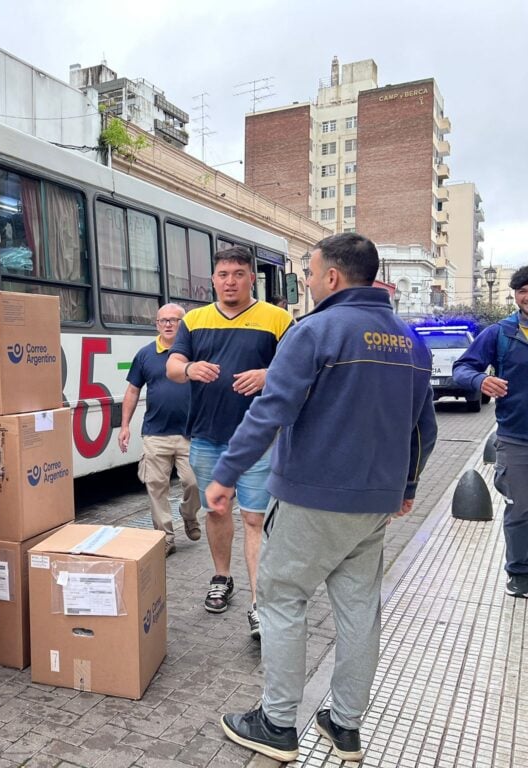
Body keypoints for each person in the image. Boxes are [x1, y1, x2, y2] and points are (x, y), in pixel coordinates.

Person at [208, 233, 437, 763]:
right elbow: (423, 426)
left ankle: (277, 722)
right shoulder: (410, 340)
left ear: (332, 276)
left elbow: (270, 410)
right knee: (359, 612)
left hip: (311, 498)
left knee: (283, 599)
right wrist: (406, 487)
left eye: (310, 274)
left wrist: (225, 474)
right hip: (373, 506)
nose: (308, 283)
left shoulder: (314, 331)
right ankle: (345, 725)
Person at [166, 246, 293, 639]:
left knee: (254, 518)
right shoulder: (195, 320)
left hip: (259, 438)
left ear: (252, 278)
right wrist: (189, 367)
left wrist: (267, 376)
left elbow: (300, 369)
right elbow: (172, 367)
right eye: (223, 274)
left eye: (239, 273)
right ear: (214, 279)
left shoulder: (278, 319)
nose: (230, 281)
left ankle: (259, 604)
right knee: (216, 512)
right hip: (206, 437)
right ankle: (222, 577)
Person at [453, 265, 528, 597]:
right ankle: (520, 573)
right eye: (523, 289)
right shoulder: (500, 333)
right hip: (516, 437)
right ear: (515, 294)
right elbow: (462, 369)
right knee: (521, 507)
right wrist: (481, 380)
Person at [119, 303, 202, 557]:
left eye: (174, 320)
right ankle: (165, 537)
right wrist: (124, 426)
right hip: (155, 433)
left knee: (194, 483)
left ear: (183, 324)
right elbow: (133, 391)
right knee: (156, 487)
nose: (168, 324)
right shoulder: (145, 355)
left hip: (190, 434)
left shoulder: (195, 353)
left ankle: (188, 514)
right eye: (163, 320)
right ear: (156, 324)